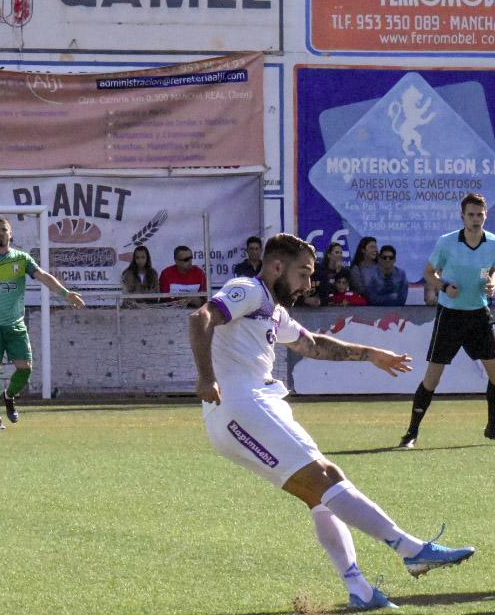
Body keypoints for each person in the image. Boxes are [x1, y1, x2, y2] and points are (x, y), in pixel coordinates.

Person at [188, 233, 475, 610]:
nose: (309, 283)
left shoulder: (273, 309)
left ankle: (360, 590)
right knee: (328, 477)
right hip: (241, 405)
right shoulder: (249, 290)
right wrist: (206, 377)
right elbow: (201, 317)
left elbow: (313, 345)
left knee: (321, 496)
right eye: (304, 273)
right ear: (277, 267)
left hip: (247, 409)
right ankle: (411, 549)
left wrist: (369, 353)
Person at [399, 192, 495, 448]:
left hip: (479, 313)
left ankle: (493, 428)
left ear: (486, 215)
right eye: (470, 215)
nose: (475, 219)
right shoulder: (447, 242)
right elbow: (429, 273)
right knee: (433, 379)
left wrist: (491, 282)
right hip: (450, 315)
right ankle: (411, 433)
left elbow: (493, 268)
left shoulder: (494, 243)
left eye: (479, 215)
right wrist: (444, 286)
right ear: (462, 216)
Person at [0, 217, 85, 431]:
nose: (0, 233)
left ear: (10, 234)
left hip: (15, 326)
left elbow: (43, 276)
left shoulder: (21, 259)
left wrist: (66, 293)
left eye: (4, 229)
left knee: (25, 369)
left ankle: (9, 395)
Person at [311, 241, 348, 307]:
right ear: (329, 255)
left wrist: (338, 272)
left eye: (341, 253)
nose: (340, 255)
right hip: (323, 304)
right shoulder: (320, 270)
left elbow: (343, 289)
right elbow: (324, 290)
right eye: (337, 252)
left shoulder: (345, 271)